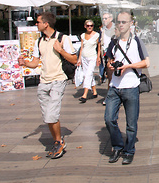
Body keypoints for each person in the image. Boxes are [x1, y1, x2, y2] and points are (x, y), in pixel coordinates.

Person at [18, 12, 77, 159]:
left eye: (38, 22)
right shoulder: (40, 41)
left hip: (58, 80)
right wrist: (24, 63)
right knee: (47, 117)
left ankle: (59, 142)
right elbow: (35, 62)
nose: (36, 24)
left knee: (52, 114)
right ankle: (57, 140)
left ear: (46, 24)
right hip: (43, 81)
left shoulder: (63, 38)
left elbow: (75, 59)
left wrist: (61, 50)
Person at [104, 12, 150, 165]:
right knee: (109, 119)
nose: (121, 24)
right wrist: (111, 65)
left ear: (131, 23)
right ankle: (117, 146)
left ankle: (129, 151)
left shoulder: (137, 41)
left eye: (124, 22)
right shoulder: (113, 42)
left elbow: (146, 63)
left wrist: (128, 66)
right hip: (115, 87)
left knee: (131, 124)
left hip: (131, 87)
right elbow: (109, 61)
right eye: (119, 22)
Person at [76, 20, 101, 102]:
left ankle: (85, 94)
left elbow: (99, 47)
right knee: (88, 74)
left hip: (92, 57)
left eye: (91, 25)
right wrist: (79, 59)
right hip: (84, 57)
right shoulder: (83, 35)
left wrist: (98, 57)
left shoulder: (97, 35)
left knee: (88, 75)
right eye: (88, 25)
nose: (90, 27)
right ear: (85, 26)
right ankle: (94, 91)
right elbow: (81, 48)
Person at [100, 13, 116, 84]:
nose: (104, 20)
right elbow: (100, 42)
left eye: (105, 18)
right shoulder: (103, 29)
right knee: (109, 73)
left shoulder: (116, 28)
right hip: (106, 53)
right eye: (103, 18)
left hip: (115, 53)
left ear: (111, 19)